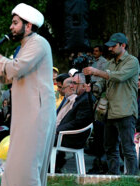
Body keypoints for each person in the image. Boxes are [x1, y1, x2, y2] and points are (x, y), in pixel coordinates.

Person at [0, 3, 55, 186]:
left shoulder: (38, 43)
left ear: (28, 25)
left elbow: (15, 69)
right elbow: (7, 76)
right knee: (19, 163)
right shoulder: (24, 46)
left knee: (29, 163)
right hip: (26, 112)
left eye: (15, 23)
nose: (11, 28)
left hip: (37, 111)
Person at [84, 33, 140, 175]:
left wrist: (97, 71)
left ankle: (132, 179)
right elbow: (102, 83)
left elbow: (119, 76)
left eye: (113, 46)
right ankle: (113, 176)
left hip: (126, 111)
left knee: (127, 148)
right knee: (109, 147)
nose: (110, 49)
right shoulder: (110, 63)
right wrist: (93, 88)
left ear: (123, 45)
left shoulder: (132, 62)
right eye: (109, 46)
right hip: (109, 112)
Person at [55, 73, 94, 172]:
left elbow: (79, 122)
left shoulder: (86, 100)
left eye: (74, 83)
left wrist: (58, 130)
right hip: (67, 135)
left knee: (42, 140)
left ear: (84, 85)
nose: (71, 86)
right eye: (71, 83)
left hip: (73, 138)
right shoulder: (80, 98)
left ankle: (47, 169)